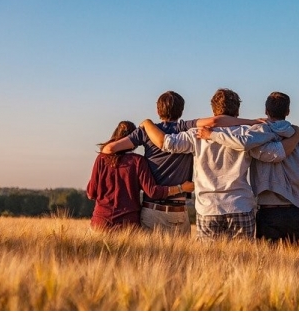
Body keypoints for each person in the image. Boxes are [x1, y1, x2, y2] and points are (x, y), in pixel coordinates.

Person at [140, 89, 299, 241]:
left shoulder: (196, 134)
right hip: (241, 205)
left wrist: (147, 123)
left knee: (209, 264)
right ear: (237, 111)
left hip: (208, 208)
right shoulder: (247, 133)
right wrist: (296, 135)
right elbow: (274, 154)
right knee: (242, 264)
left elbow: (166, 143)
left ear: (213, 110)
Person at [101, 90, 261, 236]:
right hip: (179, 210)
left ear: (158, 110)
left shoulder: (145, 131)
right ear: (181, 110)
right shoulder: (185, 128)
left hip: (152, 210)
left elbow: (109, 149)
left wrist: (136, 158)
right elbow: (214, 121)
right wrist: (252, 121)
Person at [197, 91, 299, 247]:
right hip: (295, 212)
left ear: (266, 111)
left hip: (267, 213)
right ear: (288, 112)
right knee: (293, 267)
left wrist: (212, 135)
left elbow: (244, 143)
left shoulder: (255, 137)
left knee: (266, 266)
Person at [86, 120, 194, 232]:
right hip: (128, 224)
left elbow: (91, 193)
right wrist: (181, 188)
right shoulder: (138, 161)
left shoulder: (101, 158)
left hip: (100, 222)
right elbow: (152, 191)